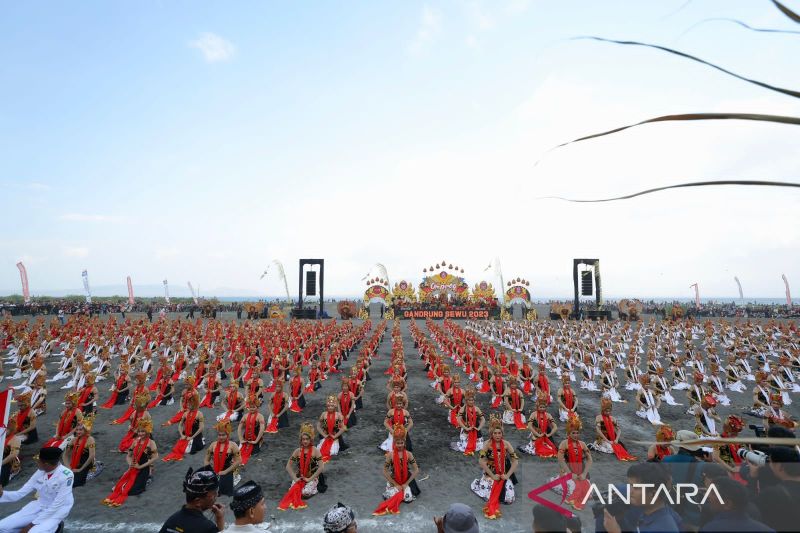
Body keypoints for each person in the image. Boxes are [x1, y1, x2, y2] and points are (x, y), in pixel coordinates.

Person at [0, 446, 74, 533]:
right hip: (39, 506)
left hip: (56, 511)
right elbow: (20, 494)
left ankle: (56, 526)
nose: (37, 462)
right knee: (2, 527)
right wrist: (2, 494)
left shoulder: (66, 475)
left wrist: (31, 524)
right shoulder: (40, 471)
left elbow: (57, 504)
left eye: (38, 461)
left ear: (46, 464)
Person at [603, 462, 681, 533]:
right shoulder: (649, 512)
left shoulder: (662, 528)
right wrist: (622, 520)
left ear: (653, 494)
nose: (630, 491)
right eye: (630, 485)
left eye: (636, 488)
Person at [102, 418, 158, 506]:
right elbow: (128, 455)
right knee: (119, 487)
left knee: (134, 491)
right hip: (133, 468)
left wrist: (140, 467)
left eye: (143, 431)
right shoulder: (135, 441)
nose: (140, 433)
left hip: (143, 468)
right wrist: (130, 464)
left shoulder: (151, 443)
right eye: (139, 431)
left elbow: (155, 457)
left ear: (147, 431)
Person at [471, 415, 519, 519]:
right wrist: (492, 475)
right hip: (490, 473)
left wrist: (507, 476)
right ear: (491, 434)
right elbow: (481, 461)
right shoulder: (486, 445)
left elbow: (515, 461)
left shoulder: (507, 444)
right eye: (495, 433)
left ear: (502, 433)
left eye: (499, 433)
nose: (497, 435)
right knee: (490, 492)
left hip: (503, 474)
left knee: (508, 498)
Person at [159, 466, 226, 533]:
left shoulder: (173, 519)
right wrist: (220, 522)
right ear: (198, 501)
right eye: (214, 494)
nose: (216, 496)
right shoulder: (207, 528)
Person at [373, 424, 420, 515]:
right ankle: (395, 488)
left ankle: (402, 489)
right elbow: (385, 471)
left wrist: (406, 483)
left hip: (406, 479)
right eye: (398, 443)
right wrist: (395, 484)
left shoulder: (409, 454)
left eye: (401, 443)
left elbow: (416, 470)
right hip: (394, 479)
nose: (400, 445)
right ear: (394, 443)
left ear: (404, 443)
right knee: (390, 496)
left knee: (408, 499)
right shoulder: (390, 455)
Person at [277, 423, 326, 510]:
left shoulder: (315, 451)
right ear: (301, 440)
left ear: (311, 439)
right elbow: (288, 466)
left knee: (305, 493)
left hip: (312, 477)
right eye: (303, 439)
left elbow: (321, 467)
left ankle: (314, 487)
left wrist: (309, 479)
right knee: (295, 490)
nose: (305, 441)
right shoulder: (297, 451)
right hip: (300, 476)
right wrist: (295, 478)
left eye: (307, 439)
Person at [700, 476, 772, 532]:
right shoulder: (766, 529)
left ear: (727, 504)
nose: (707, 496)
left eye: (712, 493)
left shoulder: (710, 529)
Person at [204, 419, 241, 497]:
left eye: (223, 435)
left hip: (228, 470)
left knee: (223, 489)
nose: (221, 437)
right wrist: (209, 470)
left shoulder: (233, 445)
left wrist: (225, 472)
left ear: (227, 435)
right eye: (219, 435)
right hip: (215, 469)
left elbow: (238, 461)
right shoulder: (213, 445)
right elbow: (206, 459)